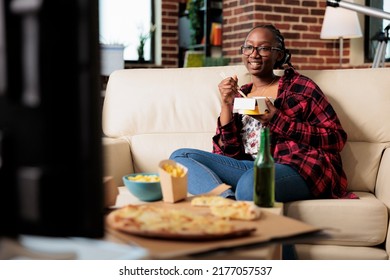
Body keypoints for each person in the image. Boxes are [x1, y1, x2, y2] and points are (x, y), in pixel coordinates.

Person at [169, 24, 358, 202]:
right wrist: (226, 104)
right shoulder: (241, 93)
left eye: (264, 48)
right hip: (248, 168)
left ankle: (236, 203)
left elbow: (336, 138)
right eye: (249, 47)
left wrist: (277, 119)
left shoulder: (301, 87)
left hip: (294, 167)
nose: (254, 54)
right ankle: (228, 203)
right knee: (179, 158)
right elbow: (229, 153)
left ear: (279, 55)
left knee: (251, 184)